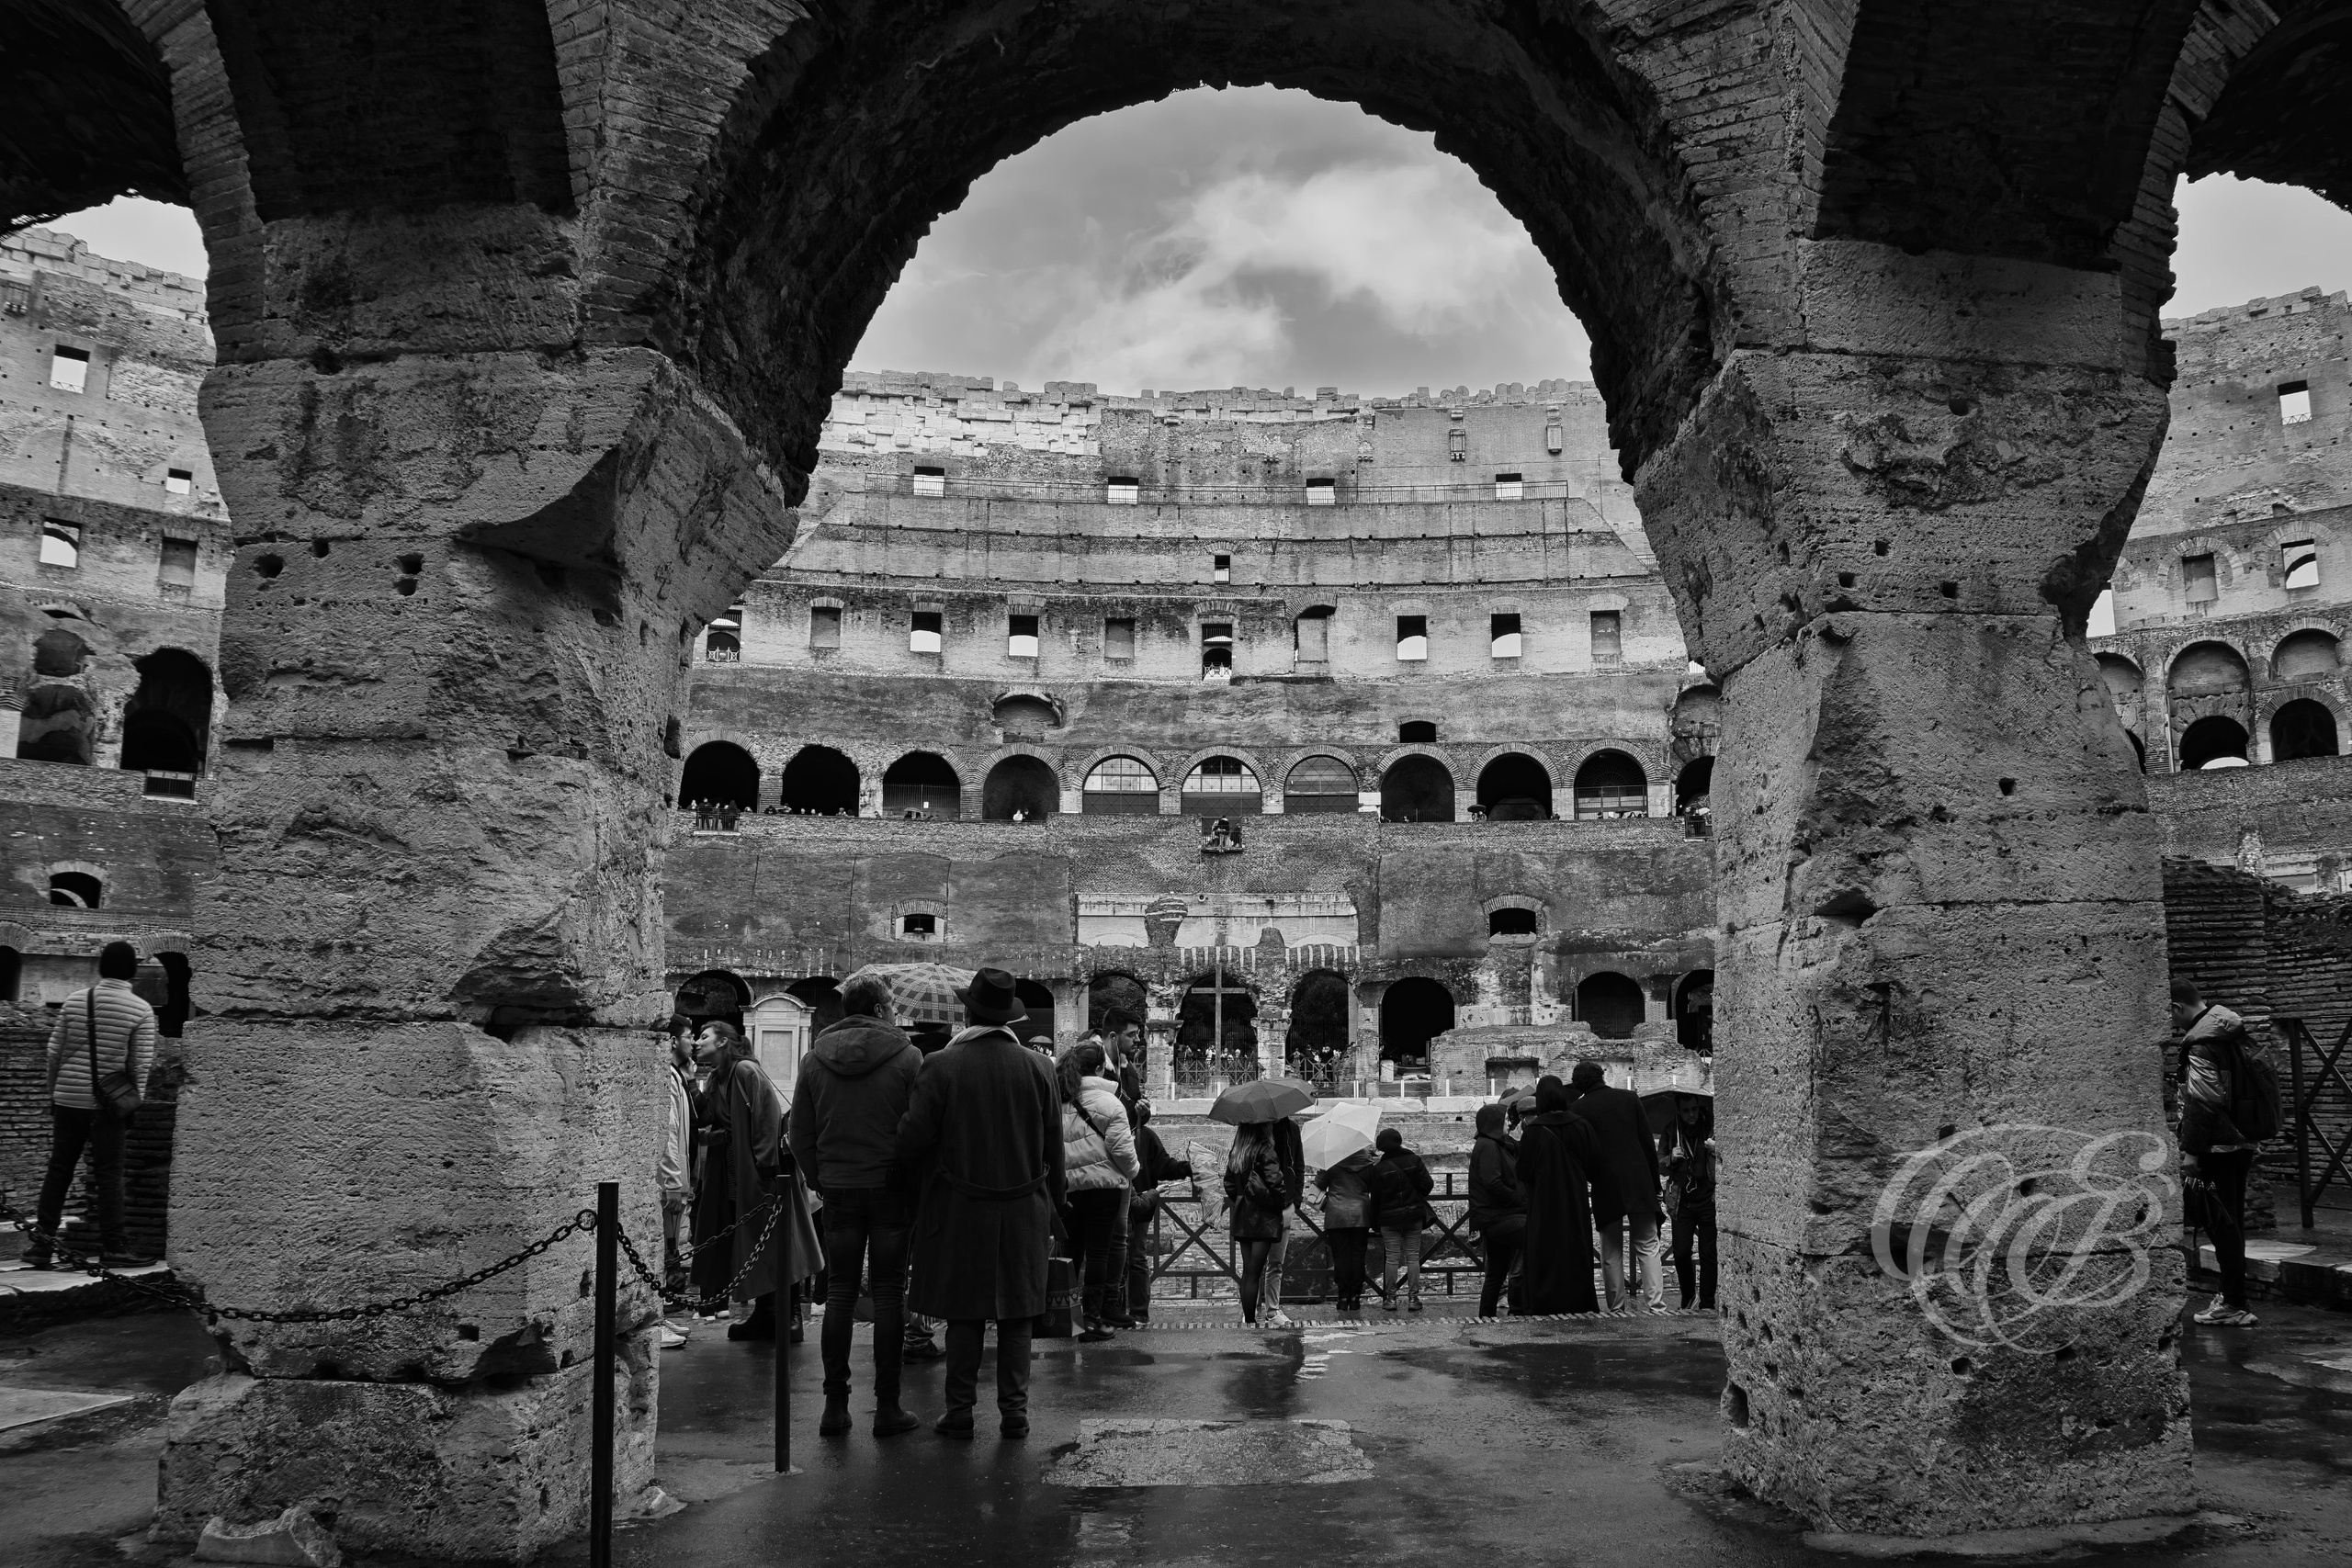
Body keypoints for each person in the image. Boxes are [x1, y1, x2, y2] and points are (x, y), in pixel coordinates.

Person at [894, 968, 1066, 1438]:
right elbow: (1055, 1147)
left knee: (964, 1311)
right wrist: (1056, 1207)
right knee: (1017, 1312)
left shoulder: (941, 1065)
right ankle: (1015, 1412)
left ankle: (960, 1410)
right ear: (1010, 1017)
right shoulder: (1040, 1067)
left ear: (969, 1012)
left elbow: (911, 1140)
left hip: (959, 1206)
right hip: (1025, 1205)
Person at [790, 975, 924, 1438]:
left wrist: (820, 1178)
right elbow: (916, 1130)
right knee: (889, 1295)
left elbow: (799, 1135)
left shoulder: (813, 1060)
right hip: (890, 1187)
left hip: (840, 1187)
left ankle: (835, 1406)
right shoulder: (908, 1058)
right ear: (883, 1009)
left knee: (840, 1295)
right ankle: (887, 1405)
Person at [23, 942, 157, 1269]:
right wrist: (130, 1105)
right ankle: (113, 1246)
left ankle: (42, 1245)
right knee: (110, 1174)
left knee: (59, 1170)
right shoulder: (140, 1010)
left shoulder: (74, 1000)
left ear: (101, 967)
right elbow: (140, 1066)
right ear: (133, 970)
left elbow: (54, 1053)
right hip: (106, 1106)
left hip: (68, 1099)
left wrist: (53, 1093)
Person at [691, 1021, 799, 1341]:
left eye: (704, 1037)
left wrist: (767, 1167)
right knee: (752, 1243)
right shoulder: (716, 1077)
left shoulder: (746, 1071)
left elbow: (768, 1115)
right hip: (731, 1173)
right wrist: (685, 1072)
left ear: (723, 1041)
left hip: (759, 1173)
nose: (697, 1042)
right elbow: (704, 1116)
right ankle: (764, 1314)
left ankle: (790, 1315)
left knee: (776, 1241)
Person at [2177, 977, 2272, 1328]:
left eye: (2171, 1016)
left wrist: (2191, 1156)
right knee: (2228, 1222)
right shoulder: (2233, 1034)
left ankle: (2234, 1302)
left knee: (2221, 1225)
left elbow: (2202, 1103)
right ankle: (2233, 1298)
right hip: (2241, 1141)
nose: (2172, 1025)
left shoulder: (2202, 1044)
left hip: (2217, 1148)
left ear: (2177, 1007)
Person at [1056, 1042, 1140, 1340]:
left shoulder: (1060, 1100)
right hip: (1105, 1189)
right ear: (1100, 1068)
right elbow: (1123, 1152)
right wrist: (1133, 1172)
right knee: (1099, 1254)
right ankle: (1092, 1320)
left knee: (1070, 1252)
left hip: (1069, 1188)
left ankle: (1062, 1317)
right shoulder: (1110, 1103)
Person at [1566, 1060, 1665, 1312]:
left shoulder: (1578, 1108)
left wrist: (1593, 1177)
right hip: (1638, 1178)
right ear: (1602, 1076)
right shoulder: (1629, 1098)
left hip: (1604, 1182)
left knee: (1610, 1251)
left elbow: (1581, 1154)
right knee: (1648, 1244)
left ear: (1579, 1085)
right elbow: (1646, 1143)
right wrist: (1655, 1184)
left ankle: (1617, 1308)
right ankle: (1656, 1306)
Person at [1515, 1077, 1601, 1314]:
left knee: (1545, 1252)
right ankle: (1577, 1302)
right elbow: (1595, 1163)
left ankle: (1544, 1304)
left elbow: (1523, 1171)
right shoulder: (1581, 1125)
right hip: (1575, 1201)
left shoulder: (1533, 1130)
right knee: (1575, 1250)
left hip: (1544, 1203)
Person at [1123, 1100, 1193, 1322]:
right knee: (1117, 1260)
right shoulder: (1112, 1134)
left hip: (1141, 1206)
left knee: (1135, 1258)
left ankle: (1138, 1314)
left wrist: (1189, 1168)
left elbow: (1164, 1166)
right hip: (1116, 1205)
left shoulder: (1146, 1137)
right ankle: (1113, 1312)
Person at [1224, 1121, 1294, 1325]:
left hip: (1243, 1216)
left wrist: (1241, 1198)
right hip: (1262, 1217)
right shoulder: (1265, 1149)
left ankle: (1249, 1319)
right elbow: (1275, 1182)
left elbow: (1228, 1182)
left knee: (1248, 1271)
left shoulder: (1237, 1152)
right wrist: (1278, 1201)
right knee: (1255, 1271)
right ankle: (1252, 1322)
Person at [1467, 1102, 1527, 1316]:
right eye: (1504, 1120)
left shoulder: (1496, 1144)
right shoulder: (1488, 1146)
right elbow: (1493, 1183)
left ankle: (1487, 1317)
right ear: (1493, 1123)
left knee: (1497, 1272)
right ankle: (1520, 1308)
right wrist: (1520, 1200)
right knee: (1536, 1236)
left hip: (1494, 1216)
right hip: (1498, 1217)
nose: (1509, 1122)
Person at [1660, 1093, 1717, 1310]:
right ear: (1679, 1111)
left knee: (1708, 1253)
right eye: (1686, 1111)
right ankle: (1687, 1297)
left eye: (1693, 1109)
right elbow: (1659, 1164)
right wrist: (1671, 1159)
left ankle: (1708, 1303)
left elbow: (1731, 1154)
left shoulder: (1711, 1127)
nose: (1691, 1114)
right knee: (1682, 1251)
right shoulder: (1671, 1130)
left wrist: (1716, 1147)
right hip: (1682, 1201)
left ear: (1698, 1106)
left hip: (1708, 1200)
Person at [657, 1031, 696, 1344]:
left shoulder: (679, 1076)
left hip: (677, 1176)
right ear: (671, 1040)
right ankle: (656, 1319)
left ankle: (659, 1316)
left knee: (668, 1250)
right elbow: (669, 1129)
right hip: (669, 1179)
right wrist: (673, 1179)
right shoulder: (667, 1076)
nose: (693, 1042)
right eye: (688, 1036)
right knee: (662, 1250)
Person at [1368, 1126, 1435, 1311]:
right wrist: (1416, 1196)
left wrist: (1374, 1223)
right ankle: (1413, 1299)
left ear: (1381, 1146)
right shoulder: (1414, 1160)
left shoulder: (1379, 1168)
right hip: (1414, 1215)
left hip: (1389, 1219)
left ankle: (1390, 1298)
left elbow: (1376, 1199)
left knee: (1392, 1258)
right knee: (1413, 1257)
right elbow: (1428, 1184)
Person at [1252, 1118, 1309, 1328]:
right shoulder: (1254, 1127)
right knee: (1254, 1263)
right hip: (1258, 1206)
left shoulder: (1291, 1128)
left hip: (1284, 1205)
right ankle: (1250, 1309)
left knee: (1276, 1262)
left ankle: (1272, 1310)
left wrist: (1296, 1202)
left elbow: (1299, 1166)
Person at [1313, 1145, 1380, 1314]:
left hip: (1336, 1214)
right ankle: (1355, 1297)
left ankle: (1342, 1297)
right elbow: (1374, 1187)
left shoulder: (1332, 1161)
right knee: (1358, 1256)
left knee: (1340, 1257)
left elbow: (1319, 1185)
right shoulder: (1368, 1163)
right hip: (1361, 1214)